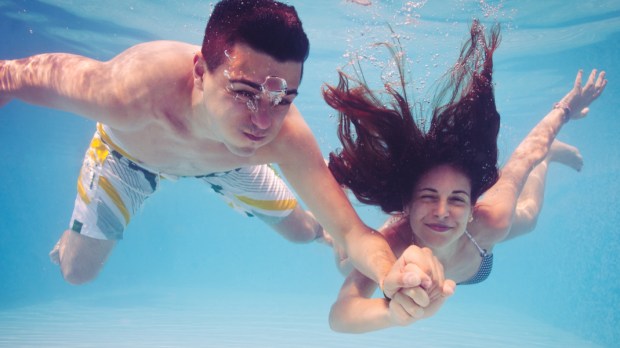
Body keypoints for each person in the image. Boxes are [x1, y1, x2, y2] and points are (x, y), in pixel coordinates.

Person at [0, 0, 448, 302]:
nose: (262, 120)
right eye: (244, 91)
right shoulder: (128, 92)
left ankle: (317, 234)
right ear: (200, 70)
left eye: (283, 98)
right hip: (128, 157)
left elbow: (356, 235)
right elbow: (13, 77)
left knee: (303, 232)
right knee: (77, 272)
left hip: (229, 163)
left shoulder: (279, 136)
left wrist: (388, 276)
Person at [321, 21, 607, 332]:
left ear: (472, 207)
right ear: (408, 203)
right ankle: (335, 229)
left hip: (477, 255)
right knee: (346, 262)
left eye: (457, 199)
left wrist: (565, 107)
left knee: (529, 215)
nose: (442, 212)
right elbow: (340, 315)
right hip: (451, 252)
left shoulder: (490, 219)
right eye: (429, 196)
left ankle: (551, 158)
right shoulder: (391, 245)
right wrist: (390, 313)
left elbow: (524, 158)